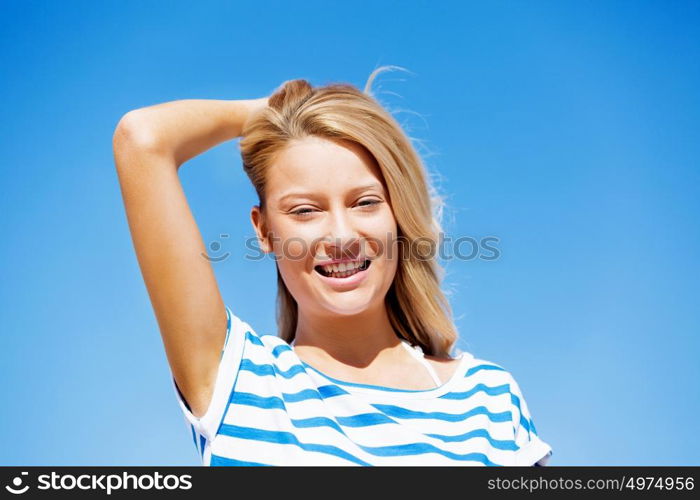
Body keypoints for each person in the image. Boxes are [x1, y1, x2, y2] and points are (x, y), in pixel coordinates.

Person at [112, 67, 553, 466]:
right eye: (305, 211)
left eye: (365, 203)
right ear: (263, 230)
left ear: (397, 214)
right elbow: (143, 137)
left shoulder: (489, 398)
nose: (341, 237)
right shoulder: (238, 380)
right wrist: (271, 114)